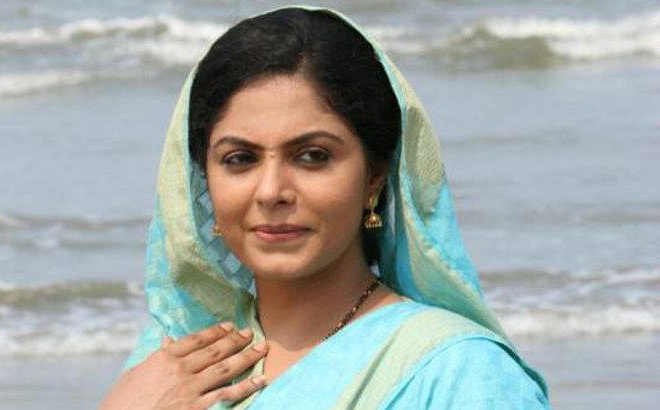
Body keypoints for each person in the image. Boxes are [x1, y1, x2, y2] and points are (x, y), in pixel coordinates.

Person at [100, 6, 549, 409]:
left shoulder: (458, 372)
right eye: (239, 159)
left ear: (374, 176)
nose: (271, 191)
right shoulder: (177, 362)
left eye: (312, 156)